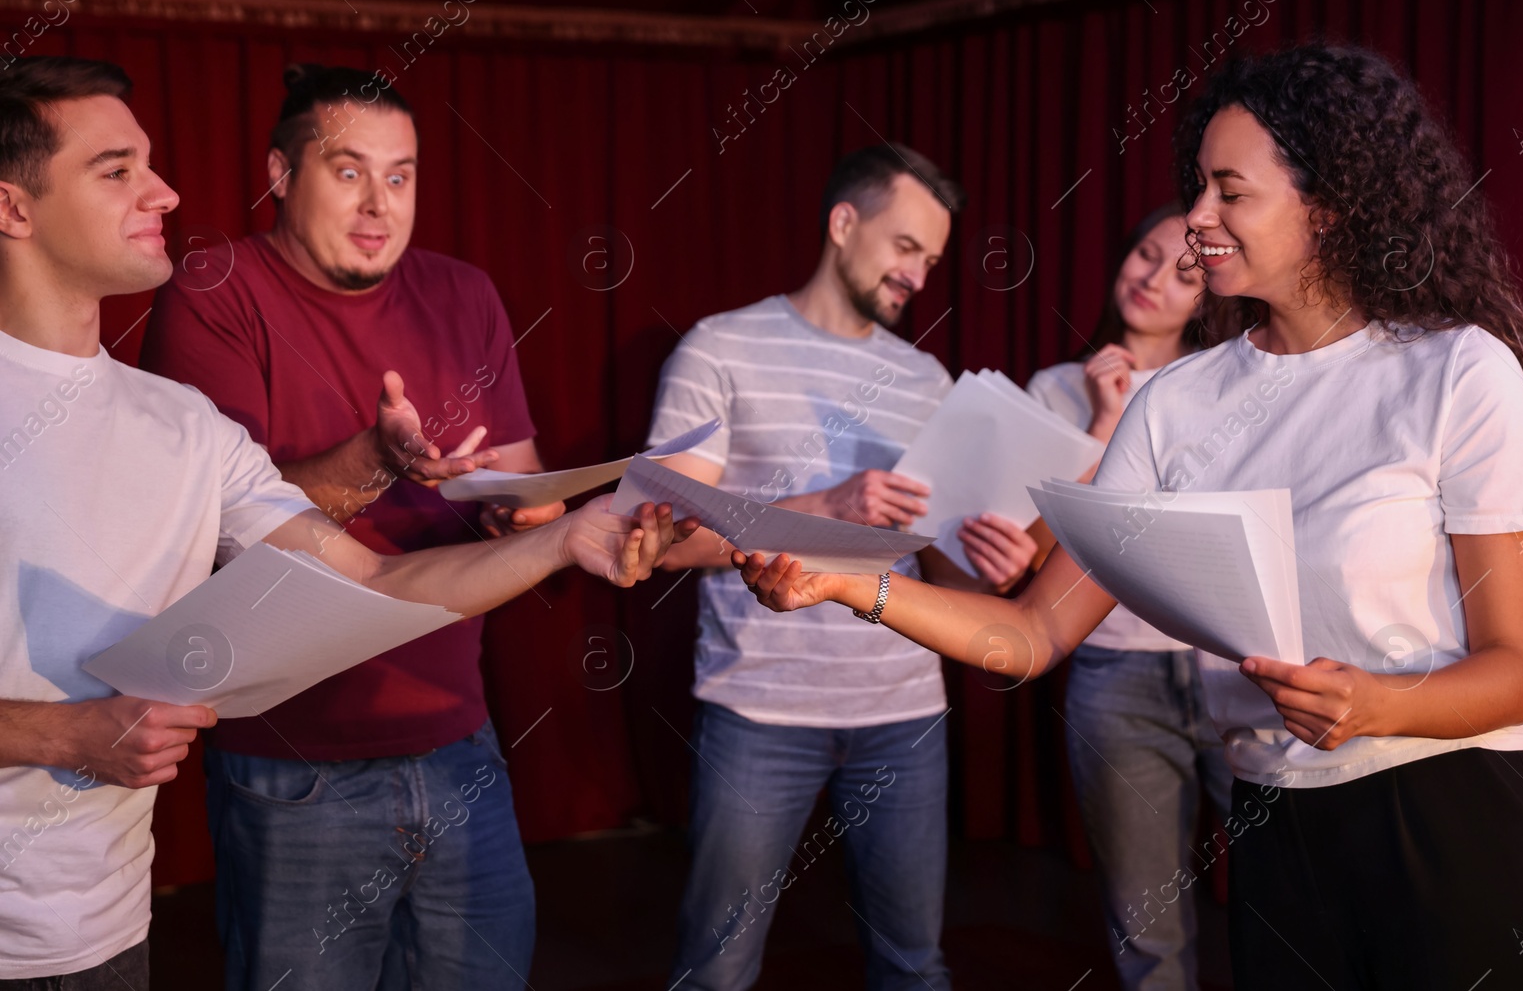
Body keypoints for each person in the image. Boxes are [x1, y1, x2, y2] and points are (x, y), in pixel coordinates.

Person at [731, 43, 1523, 988]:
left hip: (1450, 818)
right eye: (1198, 188)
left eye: (1231, 191)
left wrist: (1379, 703)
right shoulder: (1175, 402)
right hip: (1276, 834)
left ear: (1333, 203)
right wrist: (847, 581)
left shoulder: (1457, 371)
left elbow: (1517, 674)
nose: (1196, 219)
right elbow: (1028, 632)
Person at [0, 56, 689, 990]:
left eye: (149, 162)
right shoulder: (215, 304)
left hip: (107, 929)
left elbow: (368, 583)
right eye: (116, 170)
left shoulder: (182, 426)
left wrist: (561, 535)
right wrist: (63, 735)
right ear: (13, 209)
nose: (164, 189)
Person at [138, 64, 567, 990]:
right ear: (280, 175)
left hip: (460, 741)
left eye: (402, 174)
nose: (381, 204)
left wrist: (521, 508)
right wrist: (375, 457)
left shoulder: (467, 294)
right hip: (296, 764)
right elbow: (219, 530)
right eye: (347, 171)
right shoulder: (216, 293)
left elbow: (525, 481)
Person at [649, 143, 1037, 991]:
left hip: (904, 714)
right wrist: (827, 507)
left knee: (912, 964)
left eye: (931, 261)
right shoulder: (721, 348)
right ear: (842, 223)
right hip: (760, 712)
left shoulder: (929, 378)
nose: (918, 277)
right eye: (906, 248)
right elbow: (665, 539)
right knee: (717, 969)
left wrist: (993, 573)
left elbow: (943, 571)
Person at [1025, 202, 1231, 990]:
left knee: (1285, 896)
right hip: (1115, 674)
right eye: (1145, 254)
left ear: (1211, 291)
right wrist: (1108, 417)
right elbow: (1034, 551)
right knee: (1147, 923)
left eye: (1184, 272)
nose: (1152, 278)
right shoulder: (1055, 388)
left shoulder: (1227, 383)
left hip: (1231, 667)